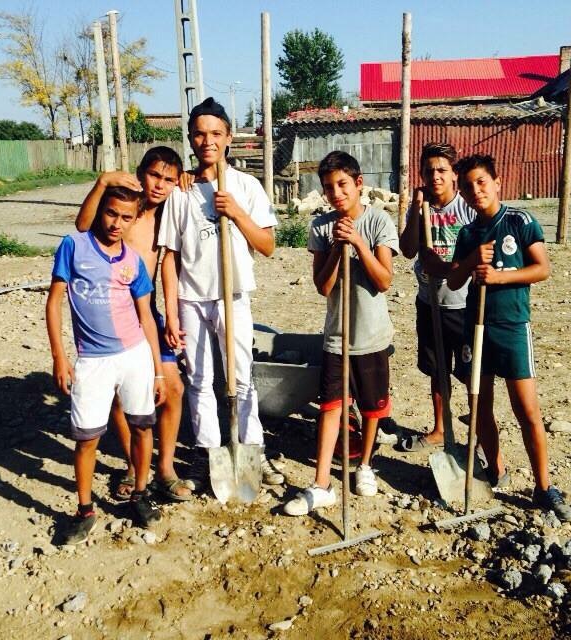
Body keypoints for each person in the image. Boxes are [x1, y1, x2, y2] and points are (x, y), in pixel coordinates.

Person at [158, 97, 284, 490]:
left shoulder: (246, 186)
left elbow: (267, 245)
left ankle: (252, 448)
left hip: (233, 295)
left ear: (229, 137)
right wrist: (173, 312)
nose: (207, 140)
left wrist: (236, 214)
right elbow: (169, 257)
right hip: (192, 298)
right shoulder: (181, 192)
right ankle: (207, 452)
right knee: (199, 378)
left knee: (241, 377)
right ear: (191, 140)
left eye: (215, 133)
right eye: (199, 133)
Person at [447, 154, 571, 521]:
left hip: (512, 327)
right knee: (480, 405)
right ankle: (496, 467)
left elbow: (542, 269)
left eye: (482, 182)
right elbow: (454, 280)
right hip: (477, 327)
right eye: (468, 186)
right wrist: (472, 260)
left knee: (527, 410)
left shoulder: (520, 220)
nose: (476, 191)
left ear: (497, 182)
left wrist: (499, 277)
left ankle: (543, 486)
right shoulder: (468, 234)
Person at [46, 186, 167, 544]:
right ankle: (84, 511)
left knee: (143, 427)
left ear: (134, 220)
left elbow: (146, 317)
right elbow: (54, 303)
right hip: (92, 362)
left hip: (135, 357)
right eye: (111, 213)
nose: (117, 223)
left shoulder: (133, 260)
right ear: (101, 211)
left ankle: (140, 495)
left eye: (126, 217)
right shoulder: (74, 246)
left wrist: (158, 369)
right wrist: (59, 357)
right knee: (87, 439)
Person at [284, 151, 399, 516]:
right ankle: (321, 483)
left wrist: (359, 245)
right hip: (337, 335)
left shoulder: (379, 221)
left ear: (359, 184)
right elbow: (323, 286)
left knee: (371, 406)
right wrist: (336, 246)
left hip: (371, 333)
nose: (336, 193)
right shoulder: (320, 228)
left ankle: (365, 465)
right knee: (332, 407)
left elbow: (383, 280)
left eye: (343, 185)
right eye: (329, 188)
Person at [75, 146, 192, 502]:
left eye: (169, 179)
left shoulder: (173, 211)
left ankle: (165, 468)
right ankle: (131, 463)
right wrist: (100, 183)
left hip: (148, 311)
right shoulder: (122, 209)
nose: (159, 185)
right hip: (112, 314)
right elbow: (82, 227)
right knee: (119, 397)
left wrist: (170, 317)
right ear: (140, 172)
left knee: (173, 389)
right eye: (154, 175)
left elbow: (169, 265)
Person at [397, 142, 476, 451]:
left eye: (442, 170)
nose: (435, 176)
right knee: (437, 370)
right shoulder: (420, 208)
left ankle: (479, 434)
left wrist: (442, 267)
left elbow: (475, 259)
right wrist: (416, 210)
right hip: (429, 303)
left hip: (463, 305)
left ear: (454, 174)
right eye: (429, 171)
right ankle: (441, 428)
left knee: (470, 374)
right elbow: (407, 250)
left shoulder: (466, 208)